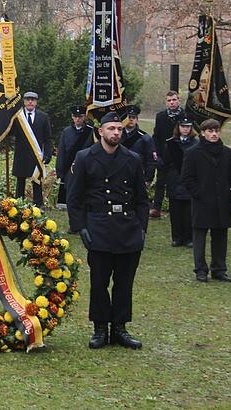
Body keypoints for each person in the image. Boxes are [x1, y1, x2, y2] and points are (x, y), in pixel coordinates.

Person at [68, 111, 148, 350]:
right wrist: (80, 227)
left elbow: (143, 200)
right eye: (111, 129)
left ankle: (120, 328)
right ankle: (100, 328)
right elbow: (74, 198)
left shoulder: (132, 159)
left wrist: (142, 228)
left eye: (119, 129)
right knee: (99, 282)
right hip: (99, 227)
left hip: (127, 229)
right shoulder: (85, 157)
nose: (116, 133)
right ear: (100, 131)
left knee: (124, 283)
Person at [182, 118, 231, 283]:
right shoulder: (192, 152)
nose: (214, 134)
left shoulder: (226, 152)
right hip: (202, 201)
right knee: (199, 237)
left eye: (216, 131)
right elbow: (187, 178)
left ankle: (219, 269)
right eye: (210, 131)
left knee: (220, 236)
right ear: (203, 133)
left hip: (222, 201)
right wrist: (199, 194)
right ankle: (201, 270)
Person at [13, 91, 52, 207]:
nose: (30, 101)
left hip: (36, 155)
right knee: (20, 182)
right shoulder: (17, 117)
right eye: (27, 99)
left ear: (36, 102)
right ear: (24, 101)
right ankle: (19, 206)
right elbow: (10, 132)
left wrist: (48, 155)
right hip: (21, 155)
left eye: (33, 100)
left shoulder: (43, 117)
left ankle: (38, 206)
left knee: (37, 182)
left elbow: (48, 138)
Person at [163, 118, 197, 248]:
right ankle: (177, 237)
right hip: (174, 180)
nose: (185, 129)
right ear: (178, 127)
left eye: (188, 126)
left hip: (189, 182)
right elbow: (165, 163)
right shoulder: (171, 143)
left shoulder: (195, 143)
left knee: (189, 213)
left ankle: (189, 238)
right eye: (183, 126)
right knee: (175, 213)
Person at [151, 91, 185, 218]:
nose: (172, 102)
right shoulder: (160, 116)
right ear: (166, 102)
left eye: (174, 100)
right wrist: (156, 153)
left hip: (180, 154)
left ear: (178, 100)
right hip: (164, 155)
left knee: (180, 181)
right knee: (160, 181)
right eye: (169, 100)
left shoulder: (185, 115)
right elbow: (156, 136)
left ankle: (178, 207)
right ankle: (156, 208)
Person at [55, 105, 94, 210]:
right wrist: (60, 169)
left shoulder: (91, 132)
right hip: (69, 166)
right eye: (75, 116)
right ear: (72, 117)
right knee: (69, 187)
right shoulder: (66, 131)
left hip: (84, 166)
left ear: (84, 117)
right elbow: (62, 151)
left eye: (80, 117)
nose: (77, 119)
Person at [121, 105, 158, 188]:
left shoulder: (145, 138)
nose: (131, 119)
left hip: (137, 175)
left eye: (133, 117)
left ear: (137, 119)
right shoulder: (117, 135)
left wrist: (148, 179)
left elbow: (151, 161)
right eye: (129, 117)